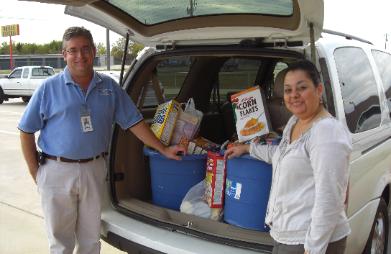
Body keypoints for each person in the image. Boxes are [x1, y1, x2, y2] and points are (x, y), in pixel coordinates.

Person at [18, 26, 185, 254]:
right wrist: (36, 173)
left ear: (94, 51)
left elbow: (134, 122)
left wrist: (163, 149)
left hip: (95, 169)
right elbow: (26, 131)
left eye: (85, 49)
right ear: (64, 54)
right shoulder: (49, 88)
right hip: (56, 171)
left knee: (91, 238)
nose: (80, 56)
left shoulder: (109, 87)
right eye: (73, 50)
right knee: (60, 241)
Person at [225, 60, 352, 254]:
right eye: (288, 90)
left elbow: (330, 198)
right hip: (286, 235)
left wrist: (313, 248)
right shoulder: (295, 122)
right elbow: (283, 155)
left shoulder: (327, 133)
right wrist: (248, 149)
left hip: (308, 239)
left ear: (318, 90)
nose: (294, 95)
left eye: (302, 88)